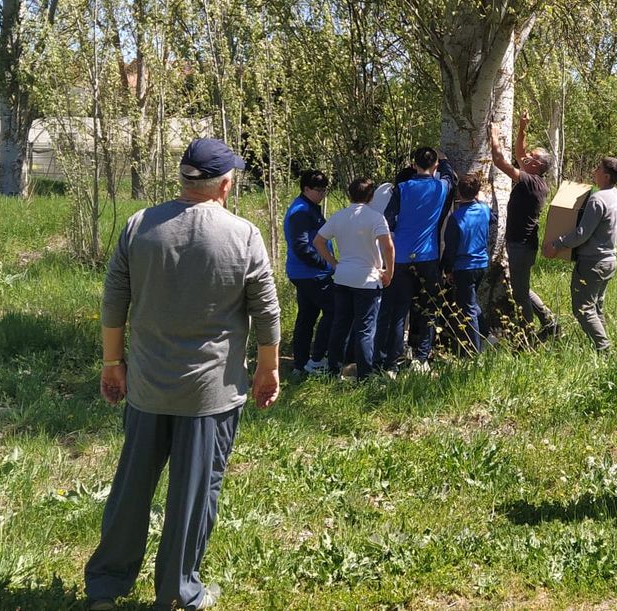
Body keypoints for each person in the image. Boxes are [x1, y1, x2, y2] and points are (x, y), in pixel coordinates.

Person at [85, 138, 282, 611]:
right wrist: (268, 368)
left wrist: (113, 364)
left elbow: (114, 301)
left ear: (183, 180)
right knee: (193, 497)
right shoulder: (244, 235)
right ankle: (176, 592)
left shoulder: (139, 225)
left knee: (131, 489)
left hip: (147, 388)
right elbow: (267, 312)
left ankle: (105, 589)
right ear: (226, 185)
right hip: (210, 395)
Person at [379, 147, 452, 372]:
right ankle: (422, 358)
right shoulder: (441, 186)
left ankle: (392, 361)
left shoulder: (401, 188)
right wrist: (445, 158)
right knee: (430, 307)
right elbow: (451, 175)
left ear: (414, 164)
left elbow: (387, 221)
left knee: (398, 310)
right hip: (428, 256)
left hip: (400, 256)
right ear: (435, 166)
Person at [488, 116, 560, 339]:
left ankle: (527, 336)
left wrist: (494, 134)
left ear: (537, 165)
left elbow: (500, 162)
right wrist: (522, 127)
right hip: (520, 244)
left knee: (520, 294)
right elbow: (520, 152)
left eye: (532, 156)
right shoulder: (533, 177)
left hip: (521, 246)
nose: (526, 157)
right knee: (522, 288)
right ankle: (550, 321)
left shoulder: (531, 182)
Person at [317, 177, 395, 380]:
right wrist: (389, 271)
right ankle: (365, 374)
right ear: (371, 196)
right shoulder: (376, 218)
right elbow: (388, 246)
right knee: (365, 329)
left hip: (342, 277)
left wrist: (334, 263)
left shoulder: (339, 216)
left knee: (340, 325)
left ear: (349, 194)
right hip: (367, 279)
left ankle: (333, 370)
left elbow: (318, 241)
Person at [549, 156, 617, 352]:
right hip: (609, 260)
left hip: (593, 263)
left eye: (598, 169)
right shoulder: (616, 196)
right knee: (596, 306)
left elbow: (582, 233)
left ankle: (604, 348)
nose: (594, 172)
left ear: (606, 176)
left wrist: (557, 244)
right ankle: (602, 347)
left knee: (583, 309)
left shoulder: (598, 199)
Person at [283, 171, 334, 376]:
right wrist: (325, 264)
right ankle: (317, 359)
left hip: (305, 272)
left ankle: (300, 364)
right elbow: (301, 246)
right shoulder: (301, 212)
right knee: (335, 310)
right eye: (318, 190)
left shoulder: (308, 206)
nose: (322, 194)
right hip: (310, 272)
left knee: (307, 317)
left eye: (324, 190)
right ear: (306, 189)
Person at [442, 173, 491, 355]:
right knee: (470, 303)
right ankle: (485, 333)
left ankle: (473, 351)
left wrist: (448, 269)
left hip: (464, 267)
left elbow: (450, 247)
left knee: (467, 308)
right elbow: (492, 218)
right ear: (477, 192)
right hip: (481, 264)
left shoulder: (456, 218)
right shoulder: (484, 210)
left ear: (458, 194)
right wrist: (482, 201)